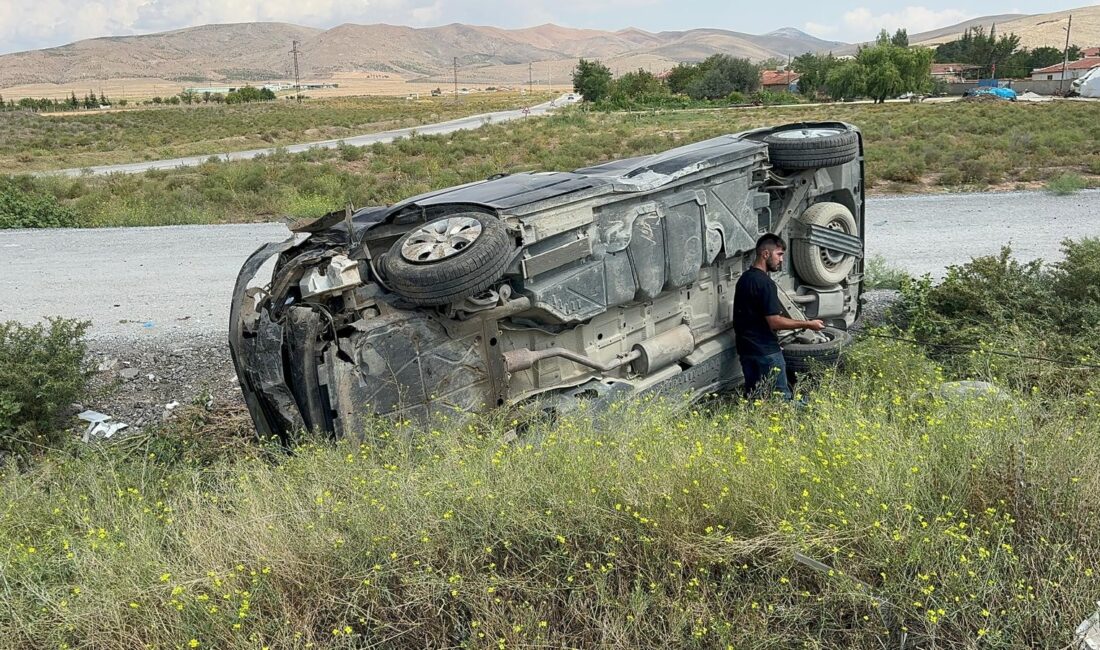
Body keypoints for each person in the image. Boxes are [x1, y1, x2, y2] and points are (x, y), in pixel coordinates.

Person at [733, 234, 825, 400]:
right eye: (779, 254)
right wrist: (809, 324)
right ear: (765, 254)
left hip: (746, 351)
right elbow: (774, 322)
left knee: (756, 398)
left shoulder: (744, 279)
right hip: (766, 352)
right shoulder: (766, 284)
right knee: (782, 399)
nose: (781, 260)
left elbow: (751, 317)